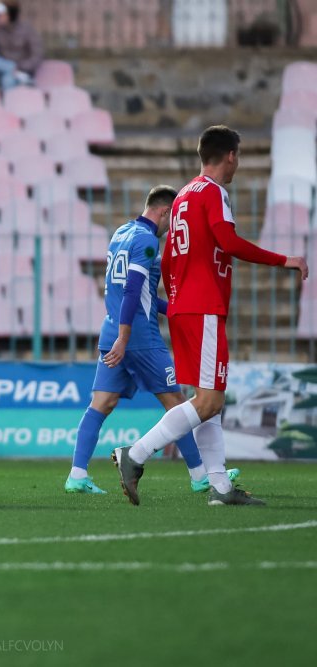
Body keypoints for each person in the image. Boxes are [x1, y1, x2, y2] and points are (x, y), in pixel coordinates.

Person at [114, 125, 308, 506]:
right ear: (231, 156)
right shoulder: (214, 192)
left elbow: (167, 259)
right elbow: (228, 242)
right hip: (202, 307)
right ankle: (134, 455)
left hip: (185, 307)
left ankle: (219, 486)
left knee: (207, 401)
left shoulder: (184, 195)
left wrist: (178, 297)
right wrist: (285, 260)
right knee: (208, 402)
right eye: (238, 157)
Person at [65, 186, 240, 494]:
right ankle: (200, 476)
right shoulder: (147, 240)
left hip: (112, 328)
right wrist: (126, 337)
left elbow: (136, 292)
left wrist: (176, 310)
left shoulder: (121, 233)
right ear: (164, 212)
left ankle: (77, 475)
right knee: (178, 404)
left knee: (101, 403)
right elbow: (133, 290)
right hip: (138, 336)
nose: (172, 227)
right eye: (172, 219)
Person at [0, 2, 43, 91]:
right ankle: (13, 69)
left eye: (2, 14)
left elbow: (37, 55)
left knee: (7, 80)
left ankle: (18, 76)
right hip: (2, 68)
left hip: (21, 70)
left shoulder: (27, 29)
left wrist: (20, 66)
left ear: (10, 15)